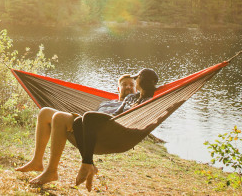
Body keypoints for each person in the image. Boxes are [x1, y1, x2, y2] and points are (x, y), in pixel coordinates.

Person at [16, 69, 158, 190]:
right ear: (117, 89)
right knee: (47, 113)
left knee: (65, 117)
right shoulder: (108, 102)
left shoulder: (135, 100)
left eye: (131, 85)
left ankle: (67, 168)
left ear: (137, 87)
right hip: (89, 125)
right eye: (124, 85)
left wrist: (146, 88)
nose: (128, 87)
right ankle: (39, 162)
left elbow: (149, 92)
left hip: (111, 130)